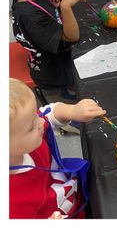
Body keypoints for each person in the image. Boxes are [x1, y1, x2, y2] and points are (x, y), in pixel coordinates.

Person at [9, 78, 103, 218]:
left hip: (74, 196)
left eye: (35, 115)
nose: (41, 121)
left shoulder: (24, 130)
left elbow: (48, 113)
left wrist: (71, 110)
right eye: (31, 127)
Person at [10, 0, 86, 99]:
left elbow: (43, 11)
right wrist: (65, 7)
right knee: (71, 96)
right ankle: (67, 96)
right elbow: (71, 37)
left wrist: (50, 1)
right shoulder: (30, 16)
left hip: (56, 61)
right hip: (54, 74)